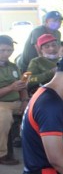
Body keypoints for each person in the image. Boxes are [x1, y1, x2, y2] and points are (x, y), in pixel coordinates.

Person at [0, 35, 29, 165]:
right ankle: (2, 154)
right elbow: (14, 87)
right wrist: (11, 87)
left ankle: (43, 146)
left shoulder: (13, 67)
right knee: (4, 118)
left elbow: (22, 87)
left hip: (17, 102)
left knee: (39, 108)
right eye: (2, 50)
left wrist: (25, 101)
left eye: (9, 50)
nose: (6, 54)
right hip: (2, 104)